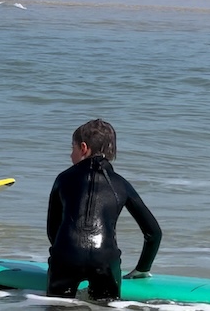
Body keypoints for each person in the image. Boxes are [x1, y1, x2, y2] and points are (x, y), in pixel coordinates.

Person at [46, 118, 162, 301]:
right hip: (105, 261)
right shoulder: (122, 184)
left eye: (72, 148)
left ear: (83, 148)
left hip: (66, 258)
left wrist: (62, 257)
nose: (70, 155)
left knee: (57, 305)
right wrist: (142, 268)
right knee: (106, 305)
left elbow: (53, 230)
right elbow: (153, 233)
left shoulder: (63, 179)